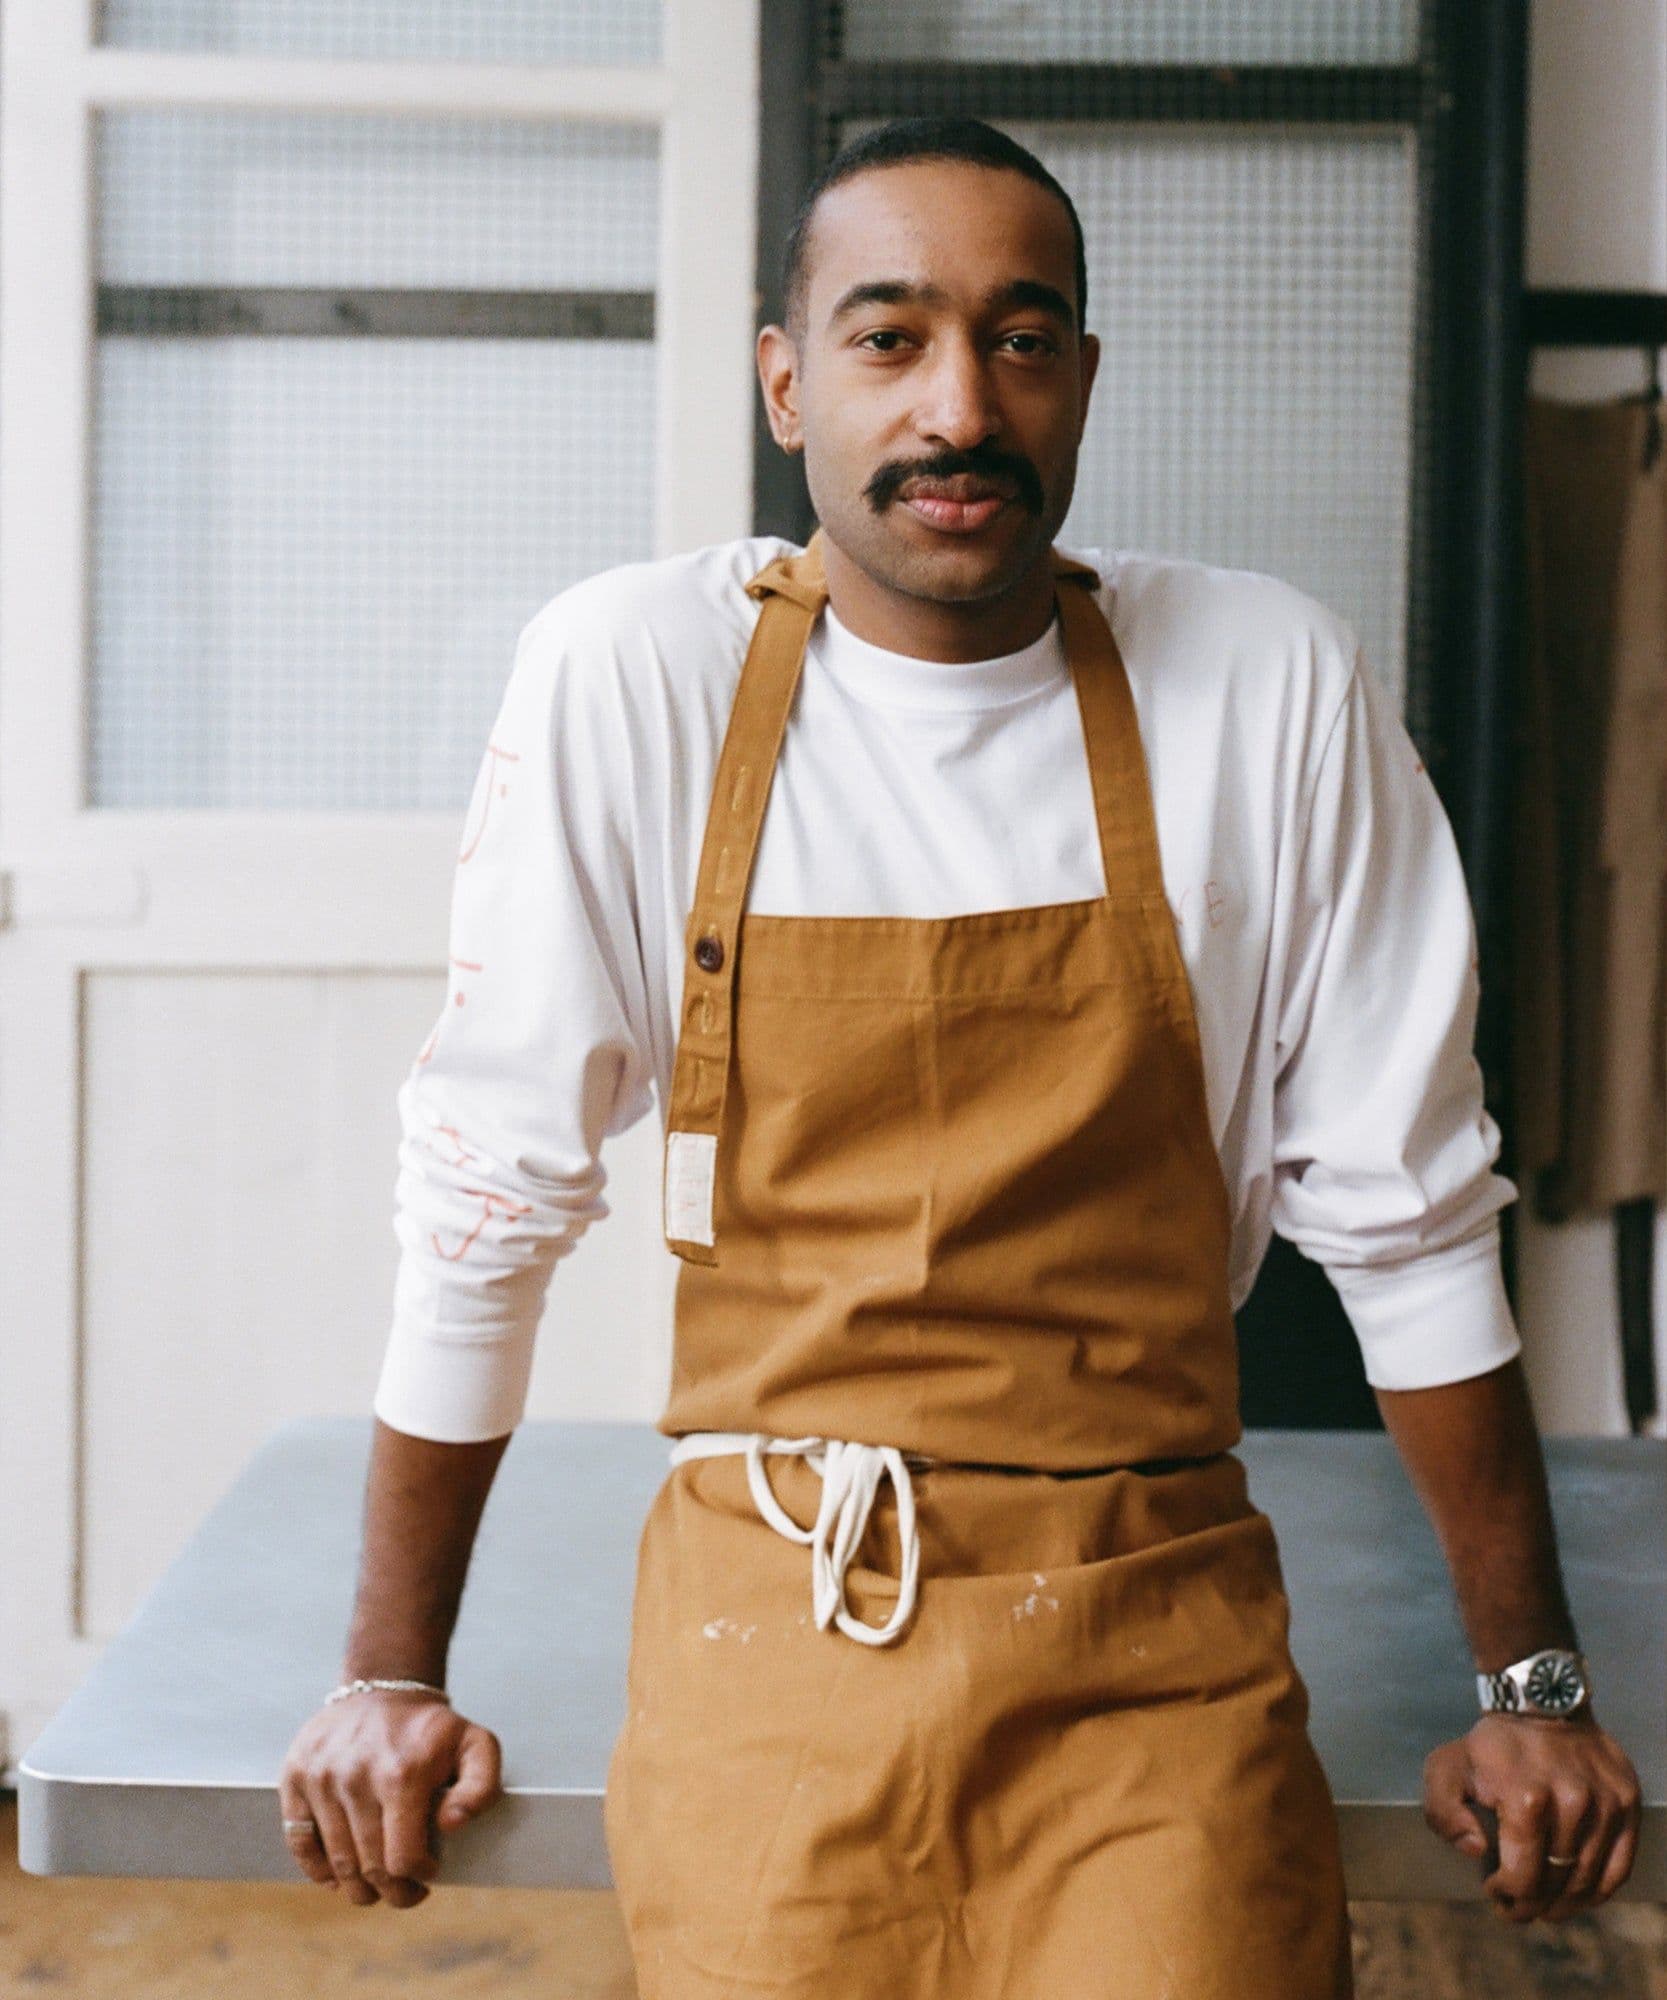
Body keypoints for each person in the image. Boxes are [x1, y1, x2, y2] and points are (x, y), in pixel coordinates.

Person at [278, 118, 1641, 1994]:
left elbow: (1410, 1229)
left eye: (1021, 337)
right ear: (785, 381)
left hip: (1156, 1641)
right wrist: (387, 1674)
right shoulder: (632, 676)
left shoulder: (1265, 686)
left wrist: (1534, 1691)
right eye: (887, 336)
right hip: (768, 1633)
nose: (958, 408)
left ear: (1082, 377)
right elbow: (490, 1198)